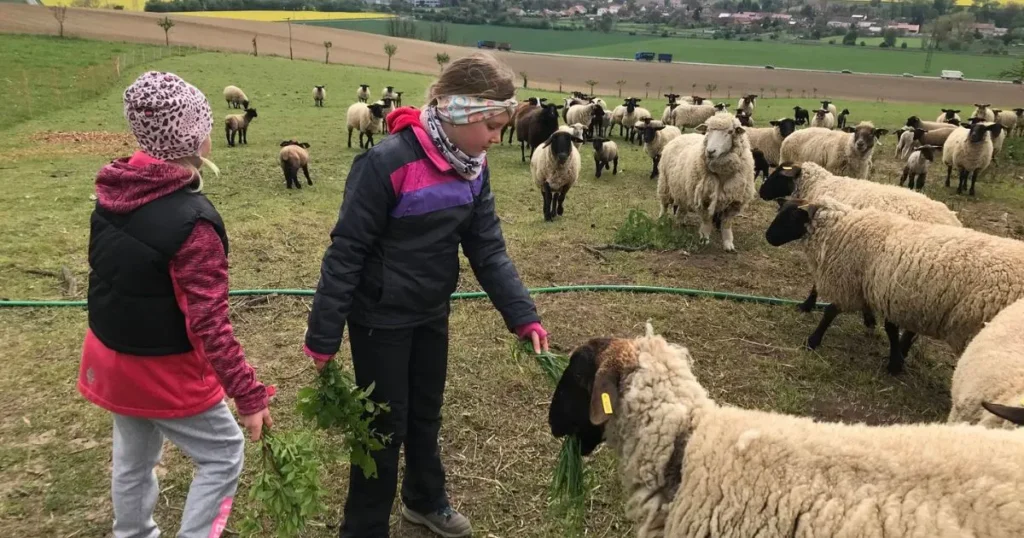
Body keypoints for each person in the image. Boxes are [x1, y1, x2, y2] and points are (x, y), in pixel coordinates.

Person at [304, 52, 549, 538]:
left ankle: (423, 499)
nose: (497, 139)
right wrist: (324, 334)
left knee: (425, 412)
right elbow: (347, 251)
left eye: (502, 128)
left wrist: (522, 314)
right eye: (492, 127)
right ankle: (364, 527)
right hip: (379, 318)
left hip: (432, 310)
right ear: (459, 113)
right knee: (381, 426)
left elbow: (488, 248)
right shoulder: (386, 163)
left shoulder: (473, 168)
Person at [78, 71, 273, 538]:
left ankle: (132, 532)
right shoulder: (193, 224)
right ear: (193, 136)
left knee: (133, 457)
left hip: (112, 356)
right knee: (223, 452)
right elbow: (210, 324)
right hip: (161, 371)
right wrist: (248, 394)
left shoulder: (112, 191)